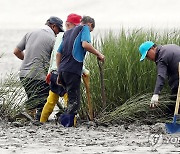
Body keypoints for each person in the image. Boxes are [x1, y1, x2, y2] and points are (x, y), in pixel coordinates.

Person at [56, 16, 105, 127]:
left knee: (70, 99)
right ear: (90, 24)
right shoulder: (85, 28)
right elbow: (85, 44)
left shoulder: (67, 33)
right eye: (91, 30)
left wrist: (59, 72)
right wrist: (99, 54)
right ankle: (65, 124)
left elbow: (58, 54)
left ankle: (65, 122)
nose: (89, 32)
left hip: (63, 70)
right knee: (74, 101)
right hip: (73, 69)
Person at [13, 16, 64, 121]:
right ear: (53, 26)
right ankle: (38, 121)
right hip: (39, 76)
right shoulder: (53, 39)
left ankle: (27, 119)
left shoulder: (30, 33)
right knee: (42, 101)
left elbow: (16, 51)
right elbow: (55, 60)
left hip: (23, 74)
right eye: (58, 30)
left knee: (33, 99)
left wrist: (27, 60)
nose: (58, 33)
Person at [40, 13, 84, 123]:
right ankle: (71, 123)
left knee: (51, 100)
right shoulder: (72, 37)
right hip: (64, 72)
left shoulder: (59, 36)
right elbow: (72, 57)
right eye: (78, 26)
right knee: (69, 99)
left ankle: (41, 121)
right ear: (70, 25)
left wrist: (50, 72)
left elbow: (55, 55)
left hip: (54, 73)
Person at [139, 41, 180, 111]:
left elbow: (161, 76)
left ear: (152, 48)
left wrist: (156, 94)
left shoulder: (161, 56)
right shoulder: (171, 47)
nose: (148, 58)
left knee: (171, 108)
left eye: (147, 55)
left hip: (178, 82)